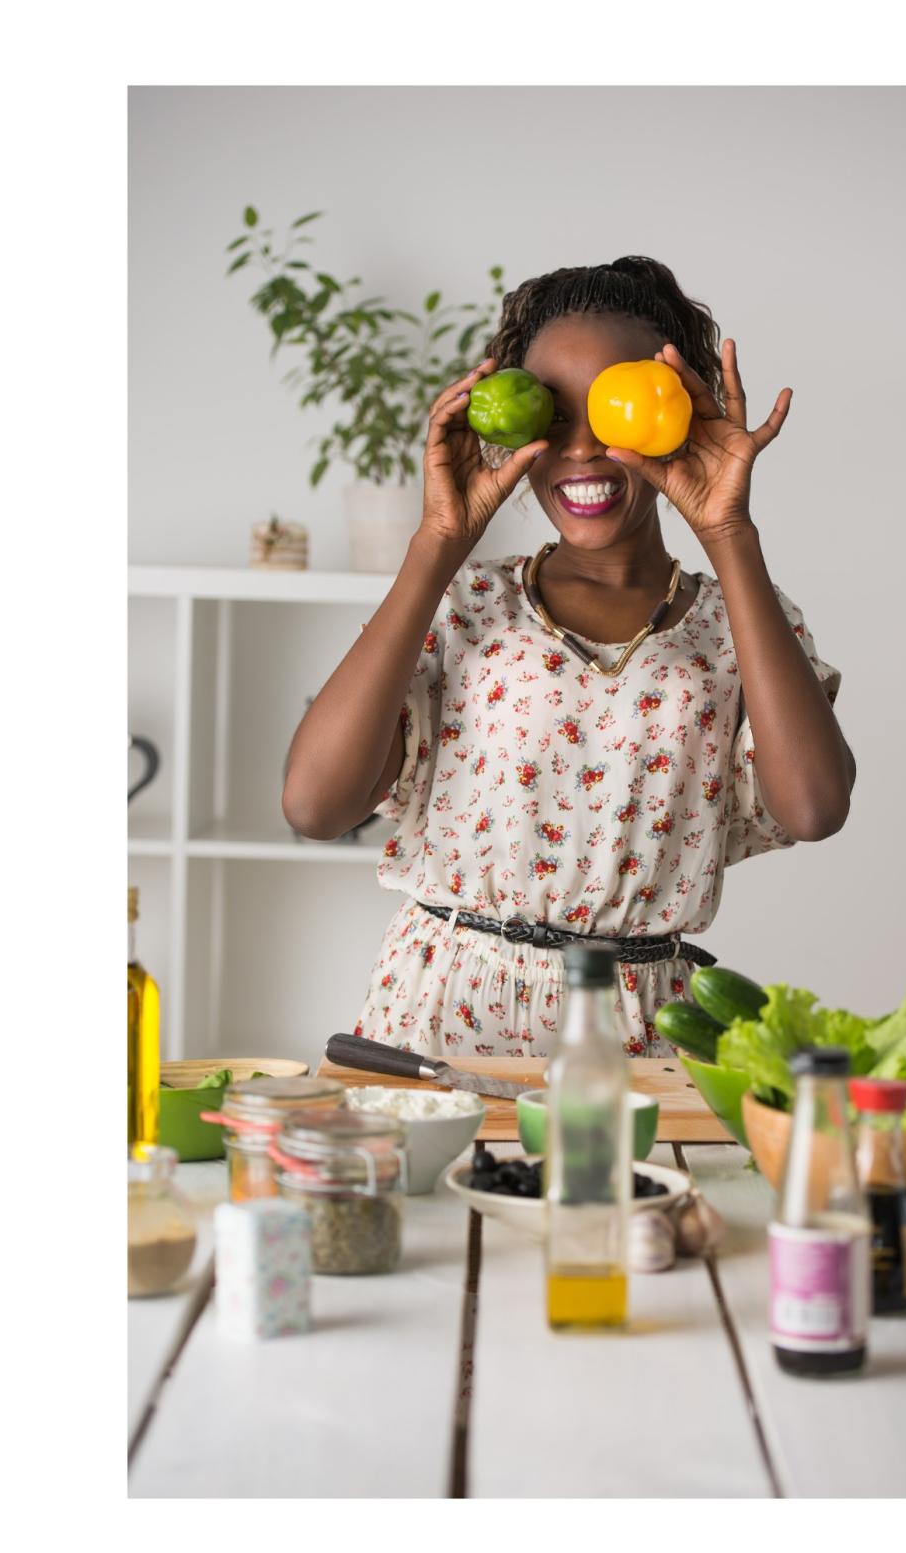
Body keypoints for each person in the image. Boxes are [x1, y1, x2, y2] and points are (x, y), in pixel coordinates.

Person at [282, 257, 856, 1058]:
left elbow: (815, 807)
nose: (582, 448)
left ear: (680, 415)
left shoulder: (741, 624)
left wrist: (730, 534)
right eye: (552, 416)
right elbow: (314, 806)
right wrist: (437, 543)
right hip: (441, 1020)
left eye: (616, 413)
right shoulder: (464, 603)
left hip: (642, 1040)